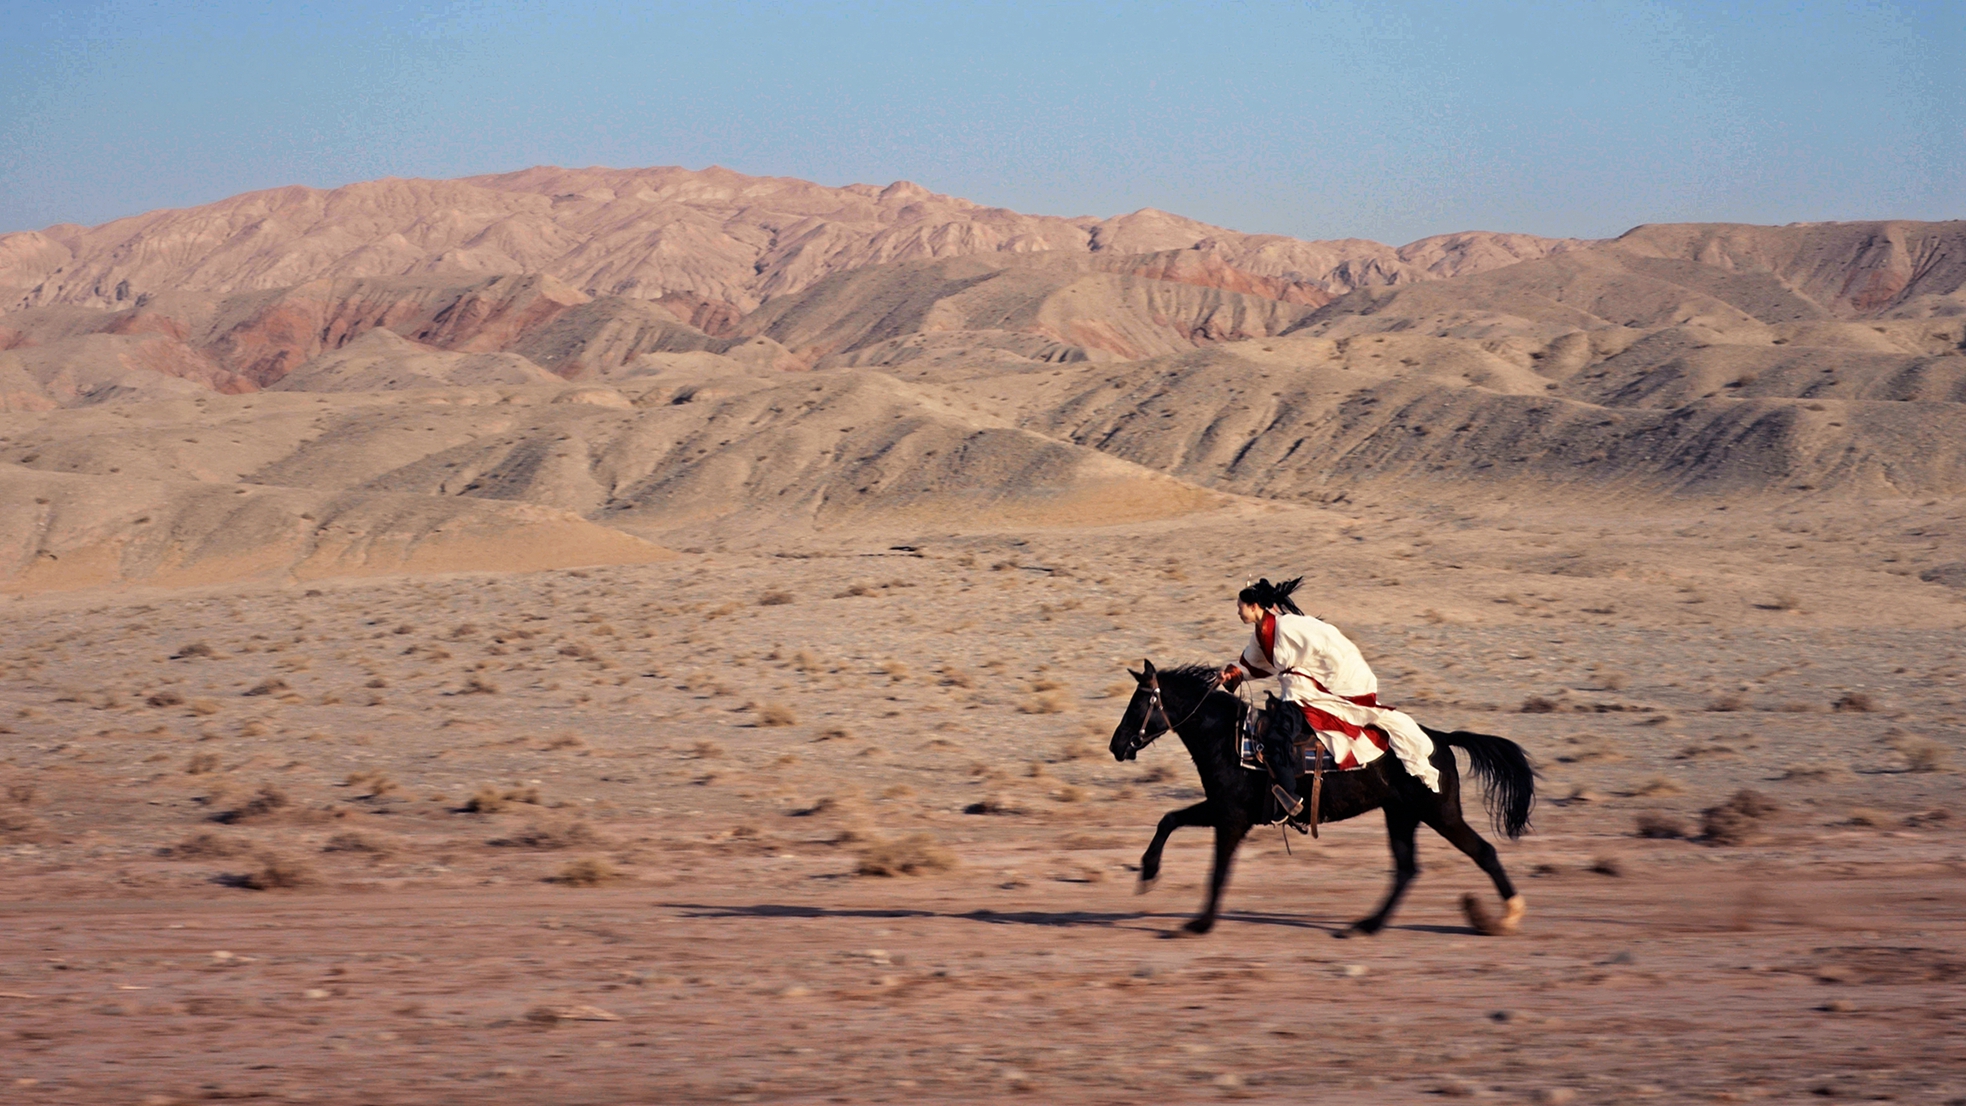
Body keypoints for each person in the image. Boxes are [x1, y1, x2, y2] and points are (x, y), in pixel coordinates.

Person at [1220, 577, 1442, 819]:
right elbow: (1250, 663)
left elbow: (1330, 643)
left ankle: (1289, 796)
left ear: (1254, 606)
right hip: (1297, 688)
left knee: (1276, 738)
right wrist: (1230, 675)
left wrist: (1317, 675)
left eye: (1240, 606)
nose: (1237, 611)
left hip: (1307, 690)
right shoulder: (1261, 633)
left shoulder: (1288, 626)